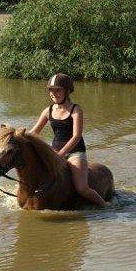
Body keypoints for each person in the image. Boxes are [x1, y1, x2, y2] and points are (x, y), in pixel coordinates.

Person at [30, 73, 106, 207]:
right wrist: (19, 138)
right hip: (54, 153)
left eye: (58, 90)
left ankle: (106, 207)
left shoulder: (76, 110)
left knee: (82, 188)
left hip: (75, 153)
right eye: (51, 90)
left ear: (67, 91)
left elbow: (76, 136)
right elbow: (34, 132)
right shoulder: (48, 111)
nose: (54, 93)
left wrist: (61, 154)